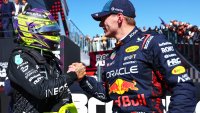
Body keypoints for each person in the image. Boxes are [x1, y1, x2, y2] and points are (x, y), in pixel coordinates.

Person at [69, 0, 197, 113]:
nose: (100, 24)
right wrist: (83, 79)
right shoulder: (112, 55)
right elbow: (106, 94)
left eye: (103, 18)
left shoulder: (152, 42)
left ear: (119, 17)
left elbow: (184, 88)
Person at [6, 8, 85, 113]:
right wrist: (73, 75)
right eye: (50, 32)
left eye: (55, 32)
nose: (55, 36)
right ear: (30, 32)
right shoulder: (19, 58)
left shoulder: (50, 58)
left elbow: (61, 92)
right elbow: (41, 90)